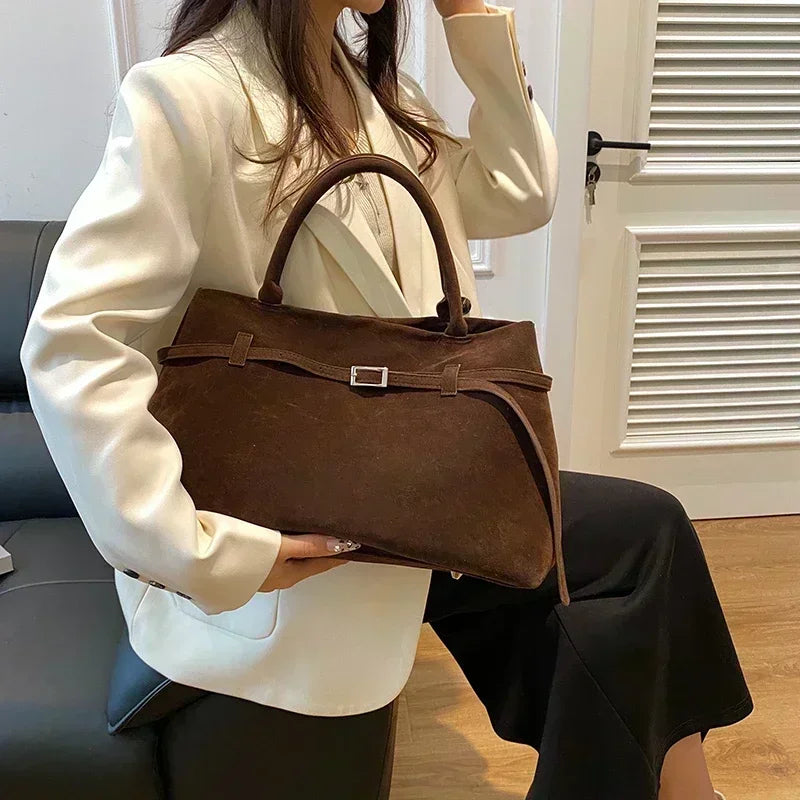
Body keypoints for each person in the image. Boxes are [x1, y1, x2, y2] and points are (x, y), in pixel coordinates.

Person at [19, 1, 752, 798]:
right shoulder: (187, 99)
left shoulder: (372, 91)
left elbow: (521, 191)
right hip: (304, 531)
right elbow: (76, 342)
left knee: (643, 537)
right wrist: (201, 550)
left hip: (405, 489)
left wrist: (470, 15)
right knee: (618, 561)